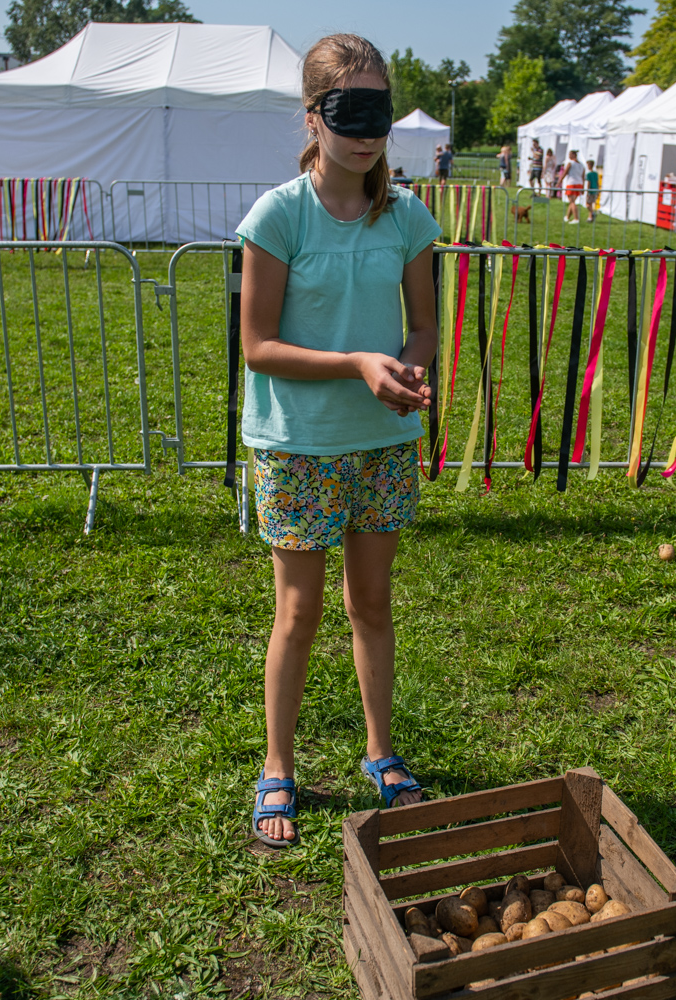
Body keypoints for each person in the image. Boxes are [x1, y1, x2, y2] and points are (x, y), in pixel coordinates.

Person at [237, 32, 439, 849]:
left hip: (382, 443)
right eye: (348, 111)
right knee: (299, 611)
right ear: (313, 116)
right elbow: (258, 345)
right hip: (296, 445)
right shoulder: (278, 214)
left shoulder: (408, 215)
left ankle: (381, 754)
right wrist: (359, 360)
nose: (366, 131)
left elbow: (423, 327)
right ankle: (277, 766)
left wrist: (407, 370)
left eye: (379, 112)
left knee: (374, 606)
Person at [563, 150, 585, 223]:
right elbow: (583, 177)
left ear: (573, 155)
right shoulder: (582, 165)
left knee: (572, 202)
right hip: (579, 184)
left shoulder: (571, 163)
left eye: (570, 154)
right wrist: (583, 187)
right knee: (572, 202)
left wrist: (559, 182)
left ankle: (576, 218)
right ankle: (567, 217)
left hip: (571, 184)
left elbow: (565, 173)